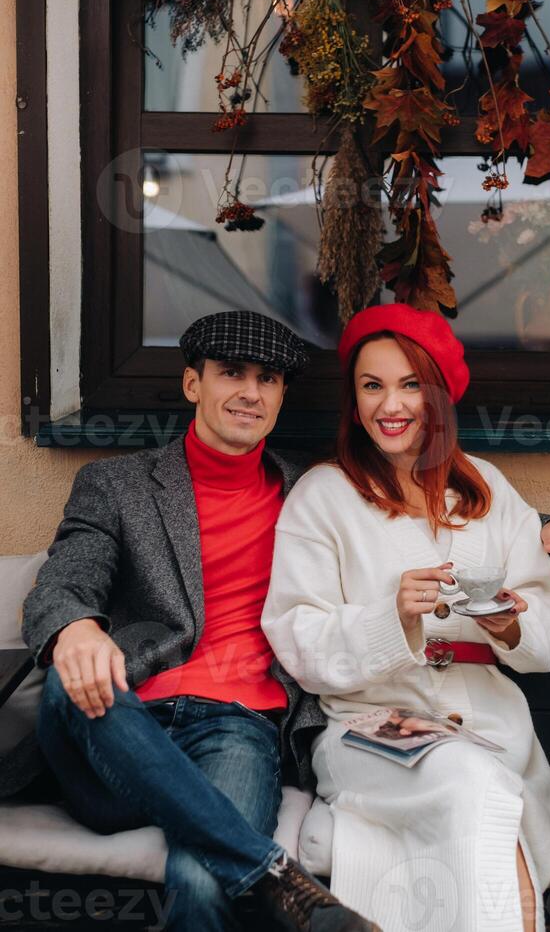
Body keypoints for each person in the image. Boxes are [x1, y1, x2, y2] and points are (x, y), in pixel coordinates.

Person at [20, 311, 380, 932]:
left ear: (281, 396)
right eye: (231, 373)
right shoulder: (116, 484)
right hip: (120, 721)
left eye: (267, 379)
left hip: (236, 727)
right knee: (69, 676)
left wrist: (545, 531)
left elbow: (425, 507)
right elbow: (67, 577)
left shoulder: (313, 488)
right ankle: (275, 875)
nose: (249, 392)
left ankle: (242, 864)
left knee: (201, 879)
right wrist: (75, 627)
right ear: (193, 384)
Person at [262, 303, 550, 932]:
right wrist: (392, 618)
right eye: (371, 386)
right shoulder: (322, 497)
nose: (390, 404)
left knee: (479, 779)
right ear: (353, 401)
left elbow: (540, 632)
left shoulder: (487, 489)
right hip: (370, 730)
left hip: (492, 726)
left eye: (409, 385)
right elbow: (297, 637)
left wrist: (506, 623)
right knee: (472, 786)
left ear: (438, 395)